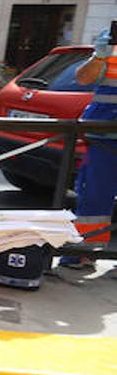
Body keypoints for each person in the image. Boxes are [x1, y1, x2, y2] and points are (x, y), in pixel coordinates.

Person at [65, 25, 116, 267]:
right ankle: (83, 252)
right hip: (105, 135)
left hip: (105, 131)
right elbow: (83, 78)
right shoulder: (111, 45)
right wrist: (100, 55)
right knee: (94, 198)